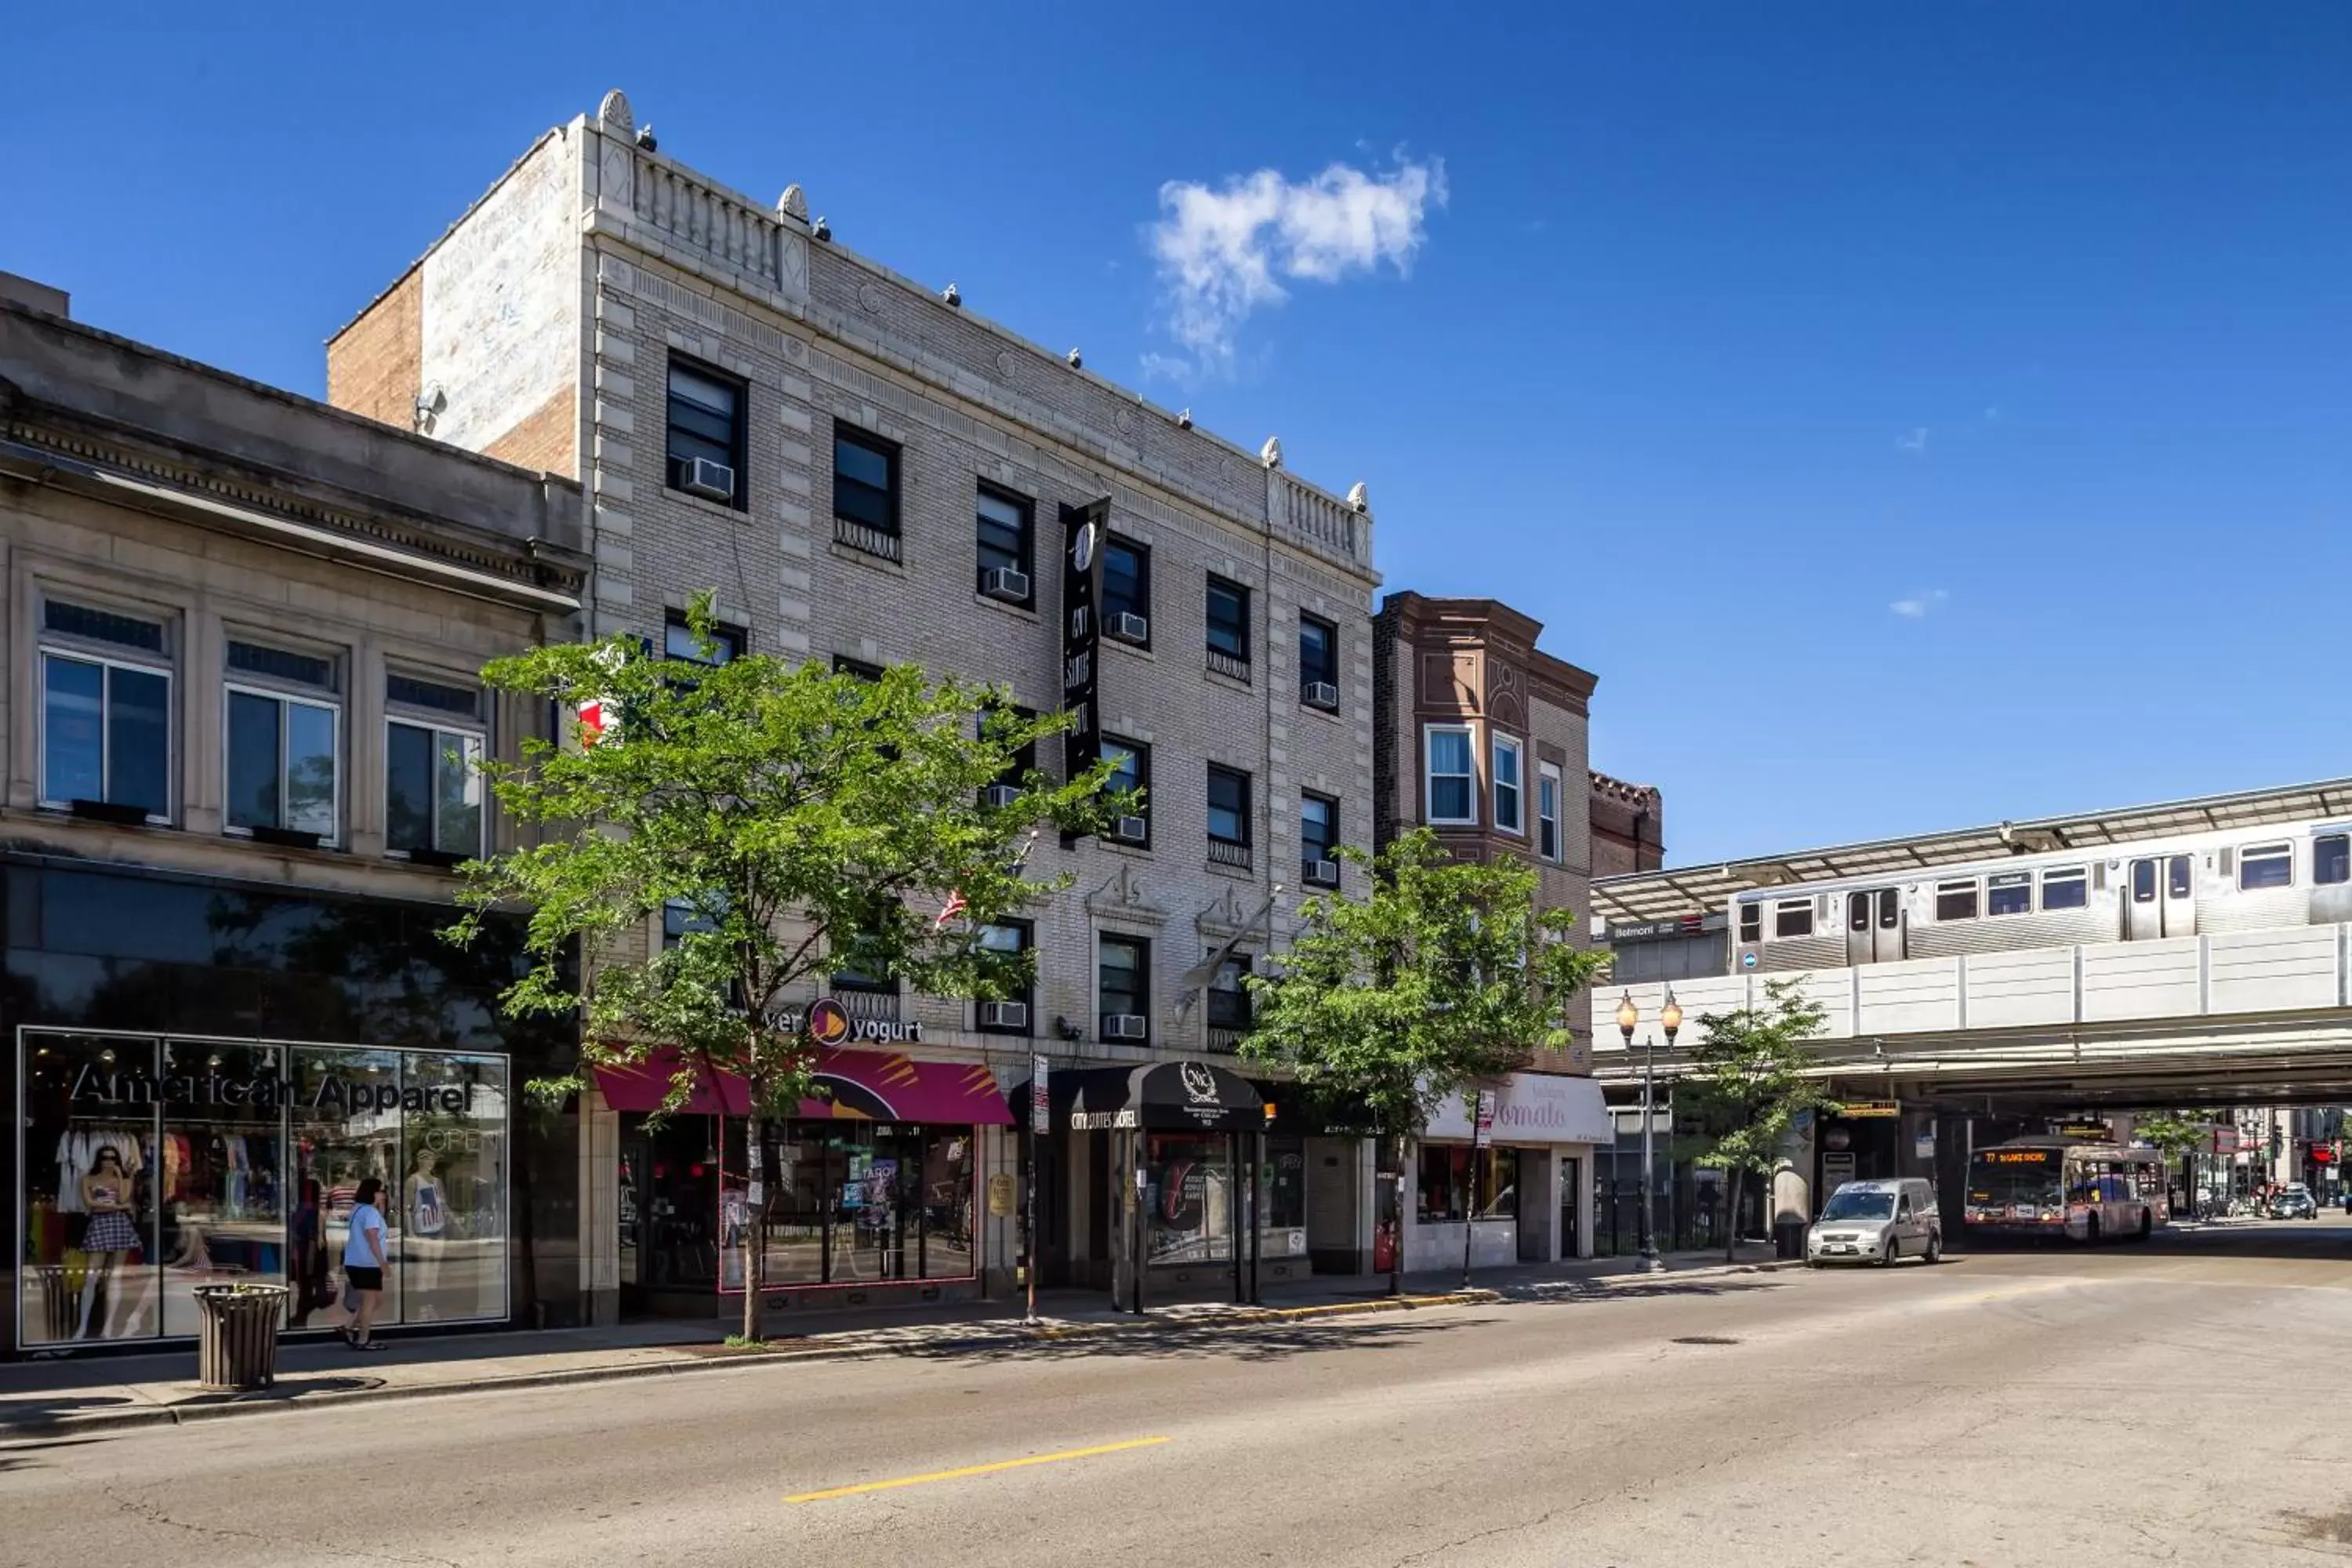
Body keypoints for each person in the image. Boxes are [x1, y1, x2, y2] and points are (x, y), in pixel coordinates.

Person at [342, 1177, 389, 1350]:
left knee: (375, 1300)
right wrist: (382, 1262)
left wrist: (381, 1207)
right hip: (368, 1264)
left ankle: (349, 1327)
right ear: (373, 1192)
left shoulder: (358, 1209)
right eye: (381, 1191)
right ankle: (363, 1339)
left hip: (356, 1261)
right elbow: (372, 1238)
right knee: (370, 1301)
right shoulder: (370, 1212)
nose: (384, 1195)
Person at [288, 1178, 330, 1327]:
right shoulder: (316, 1211)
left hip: (300, 1255)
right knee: (317, 1292)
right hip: (312, 1256)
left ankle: (300, 1318)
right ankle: (301, 1316)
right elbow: (319, 1239)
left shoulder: (298, 1211)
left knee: (305, 1290)